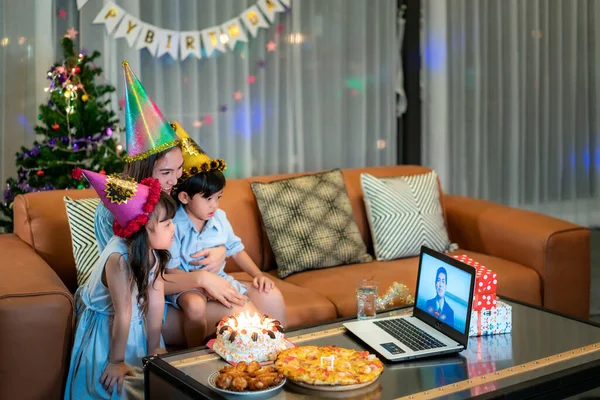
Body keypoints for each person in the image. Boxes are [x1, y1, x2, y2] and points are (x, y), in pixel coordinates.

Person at [92, 62, 232, 346]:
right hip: (132, 302)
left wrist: (221, 250)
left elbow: (202, 227)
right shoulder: (118, 212)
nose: (175, 179)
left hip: (160, 291)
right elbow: (139, 277)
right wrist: (201, 278)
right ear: (144, 171)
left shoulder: (175, 197)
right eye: (166, 173)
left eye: (179, 169)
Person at [165, 123, 286, 347]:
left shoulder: (219, 217)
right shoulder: (174, 225)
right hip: (186, 285)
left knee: (243, 302)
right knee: (195, 305)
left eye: (218, 197)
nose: (214, 205)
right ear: (184, 198)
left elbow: (236, 250)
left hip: (219, 280)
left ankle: (256, 347)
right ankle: (192, 351)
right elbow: (170, 269)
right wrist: (202, 285)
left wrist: (257, 273)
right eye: (208, 199)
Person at [64, 169, 176, 399]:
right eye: (167, 224)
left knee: (148, 385)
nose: (174, 228)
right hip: (107, 328)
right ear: (145, 229)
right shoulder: (118, 259)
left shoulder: (155, 253)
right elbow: (122, 313)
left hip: (135, 324)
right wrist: (116, 361)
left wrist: (154, 347)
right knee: (113, 388)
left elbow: (155, 303)